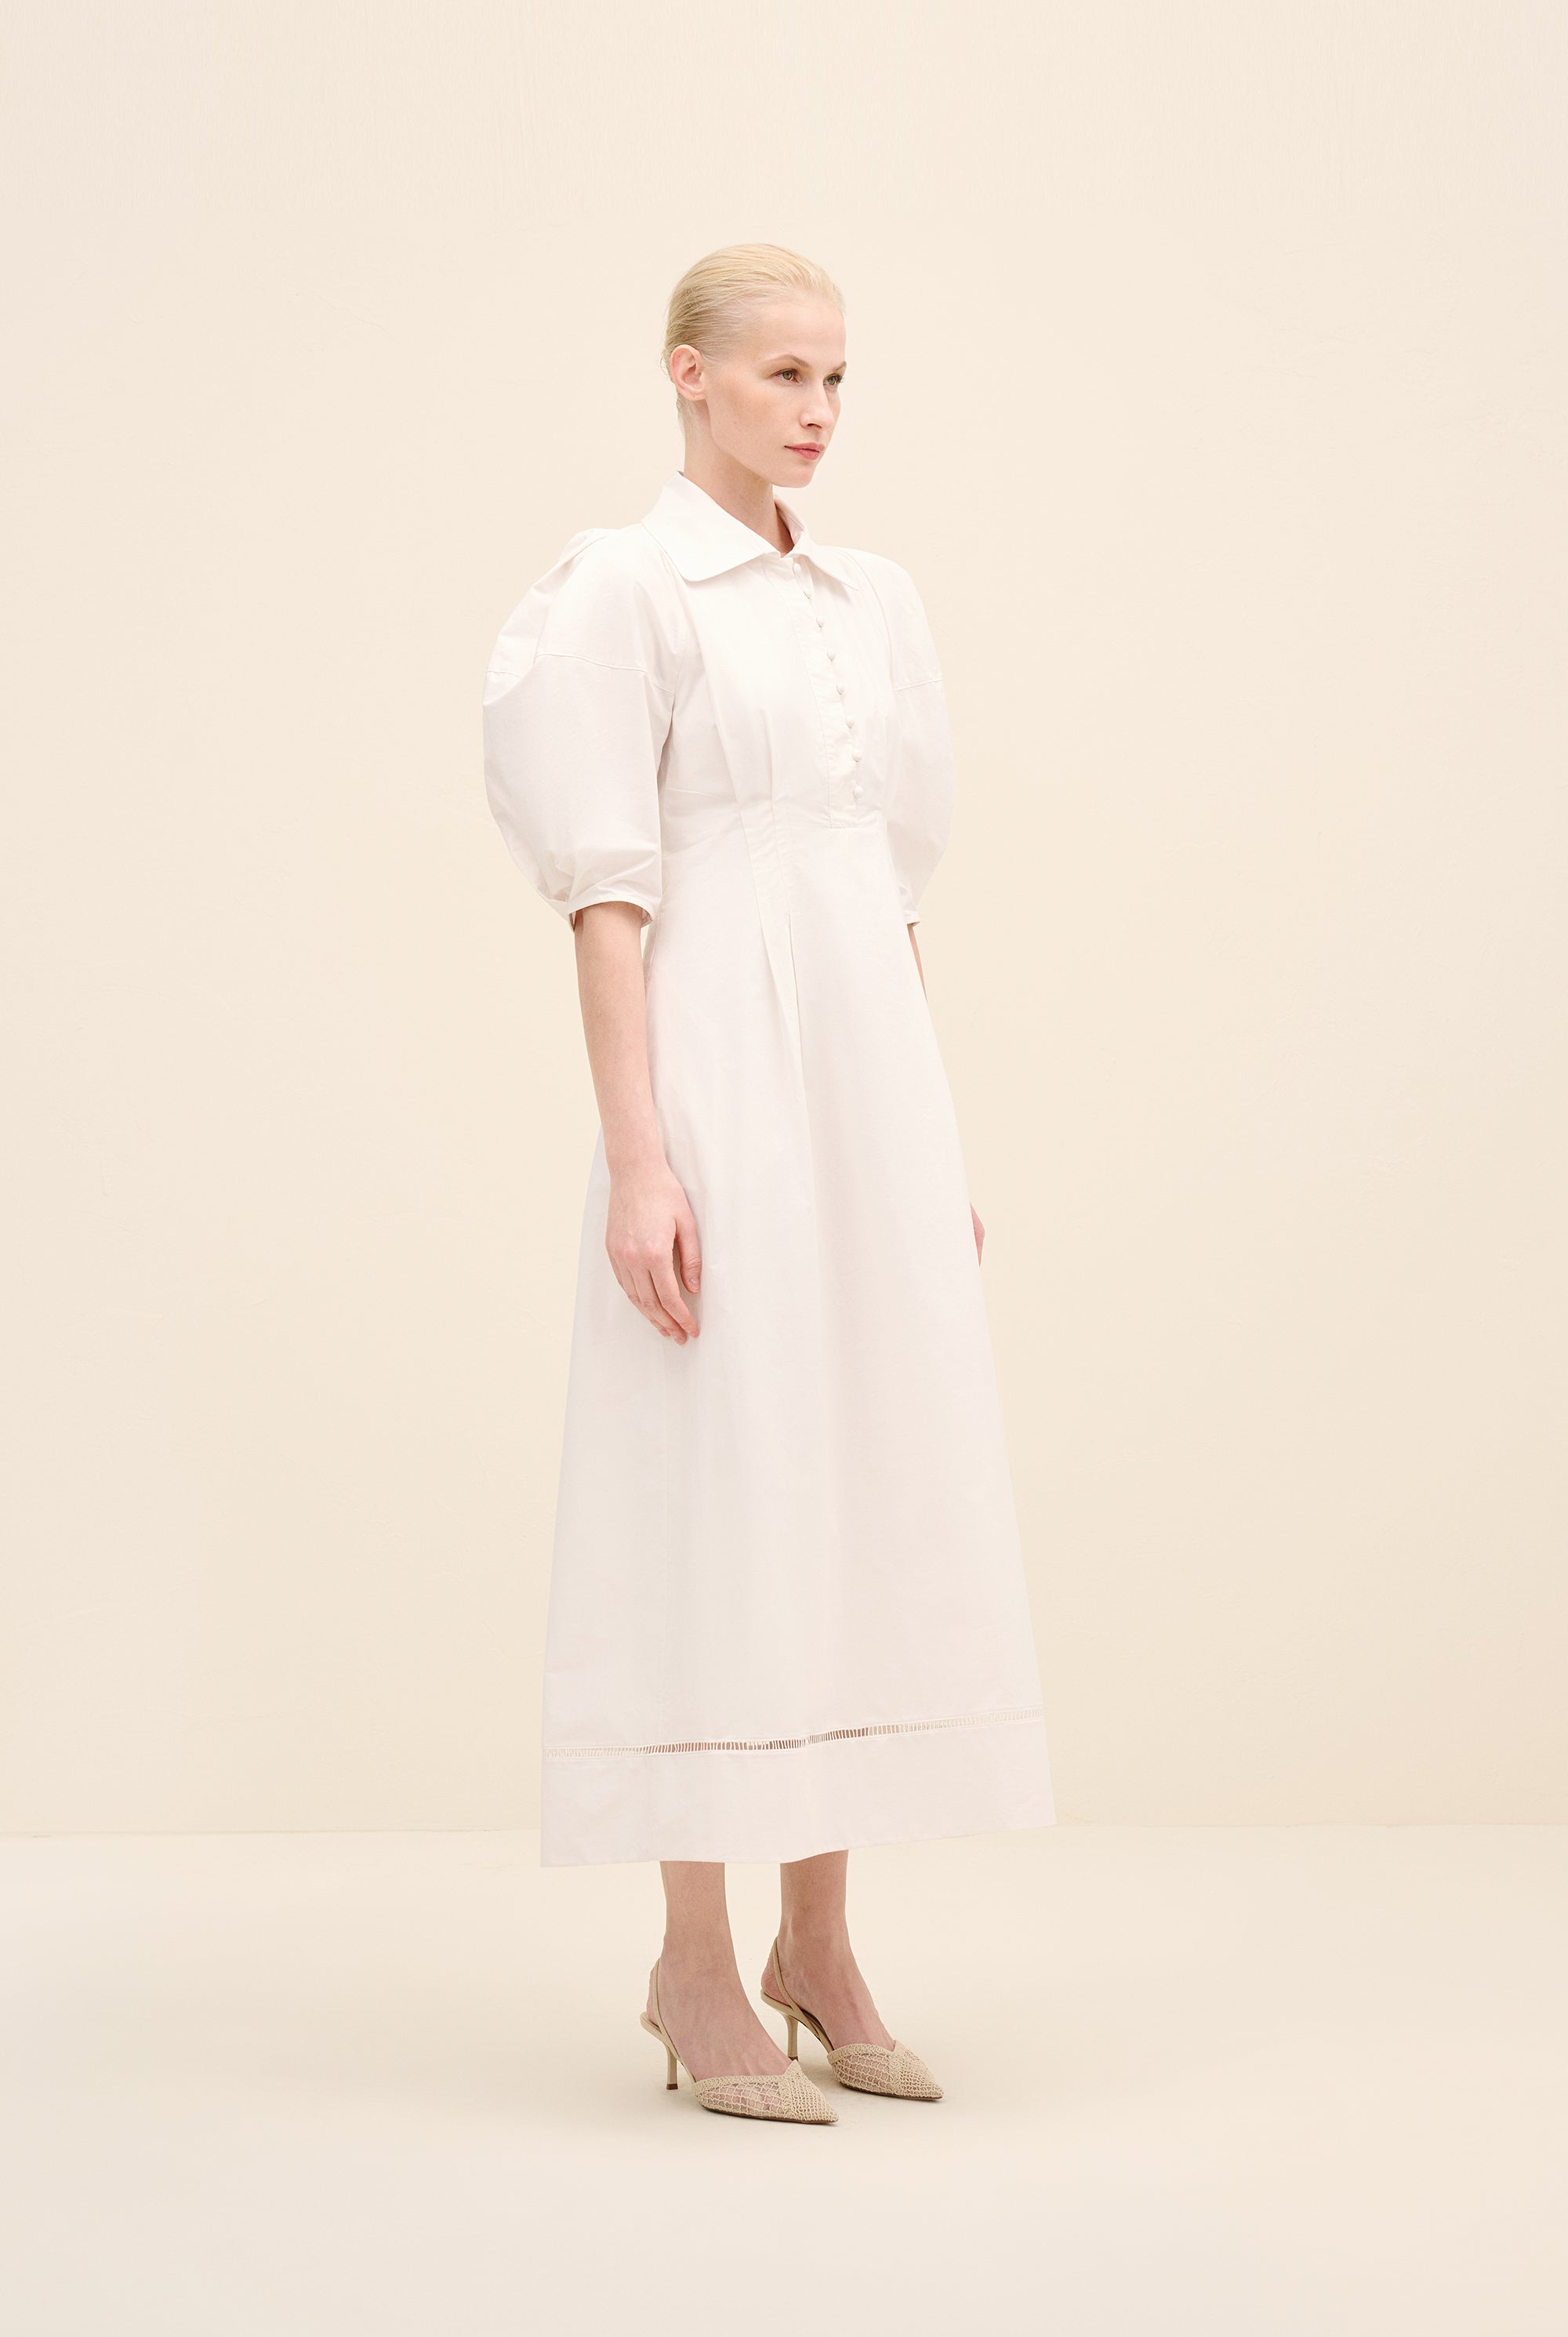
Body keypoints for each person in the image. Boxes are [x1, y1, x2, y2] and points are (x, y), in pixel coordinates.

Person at [481, 243, 1054, 2125]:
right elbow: (607, 900)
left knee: (853, 1479)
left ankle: (821, 1948)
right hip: (717, 1070)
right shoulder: (625, 590)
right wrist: (642, 1160)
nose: (817, 409)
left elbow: (890, 893)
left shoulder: (872, 601)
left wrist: (926, 1139)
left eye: (837, 377)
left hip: (862, 1085)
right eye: (783, 373)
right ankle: (693, 1962)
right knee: (717, 1481)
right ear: (688, 374)